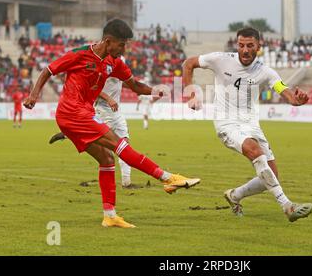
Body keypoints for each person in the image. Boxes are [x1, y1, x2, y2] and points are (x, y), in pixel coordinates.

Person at [24, 18, 200, 228]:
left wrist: (155, 90)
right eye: (122, 44)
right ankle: (167, 178)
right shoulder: (80, 54)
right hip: (72, 112)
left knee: (107, 160)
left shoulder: (114, 63)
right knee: (119, 144)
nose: (124, 48)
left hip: (82, 114)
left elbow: (134, 85)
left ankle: (110, 216)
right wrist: (34, 95)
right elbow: (48, 71)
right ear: (108, 41)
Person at [182, 27, 312, 223]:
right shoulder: (221, 59)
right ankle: (288, 206)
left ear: (259, 46)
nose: (244, 50)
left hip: (251, 125)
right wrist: (190, 92)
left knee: (271, 176)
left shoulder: (265, 72)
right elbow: (188, 63)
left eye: (250, 46)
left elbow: (282, 89)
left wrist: (296, 100)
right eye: (241, 45)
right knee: (255, 152)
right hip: (226, 123)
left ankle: (234, 196)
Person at [49, 75, 138, 189]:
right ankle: (70, 134)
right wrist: (108, 98)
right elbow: (92, 86)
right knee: (113, 147)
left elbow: (120, 82)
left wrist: (134, 87)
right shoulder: (101, 65)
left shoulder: (118, 62)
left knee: (124, 145)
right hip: (104, 111)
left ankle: (127, 182)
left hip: (116, 113)